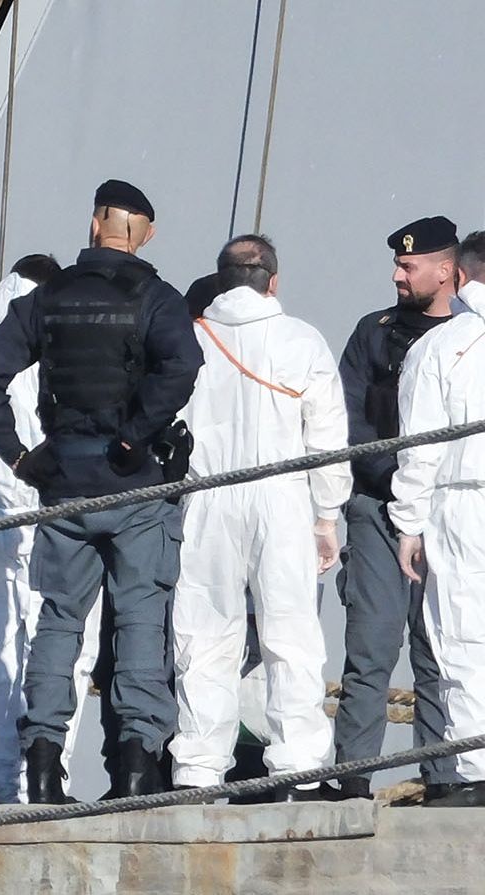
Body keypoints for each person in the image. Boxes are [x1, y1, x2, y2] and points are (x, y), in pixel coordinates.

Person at [0, 180, 202, 803]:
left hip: (65, 486)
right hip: (137, 487)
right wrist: (135, 434)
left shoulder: (46, 299)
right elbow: (183, 366)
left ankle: (43, 770)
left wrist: (18, 454)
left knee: (59, 622)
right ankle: (136, 770)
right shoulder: (158, 298)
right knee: (142, 620)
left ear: (96, 224)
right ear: (144, 234)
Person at [169, 235, 350, 801]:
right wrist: (327, 516)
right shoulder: (302, 339)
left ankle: (198, 770)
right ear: (273, 281)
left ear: (221, 279)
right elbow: (327, 436)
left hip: (209, 496)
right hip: (283, 495)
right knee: (291, 635)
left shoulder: (191, 338)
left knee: (205, 636)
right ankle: (297, 768)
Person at [0, 254, 104, 803]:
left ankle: (7, 782)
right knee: (61, 651)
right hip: (40, 515)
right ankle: (47, 778)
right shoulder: (44, 345)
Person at [333, 216, 465, 799]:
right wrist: (398, 479)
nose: (397, 275)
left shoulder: (469, 339)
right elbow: (348, 420)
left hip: (450, 517)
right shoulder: (374, 332)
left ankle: (446, 779)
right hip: (380, 513)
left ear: (446, 270)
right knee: (370, 653)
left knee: (441, 653)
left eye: (409, 266)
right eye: (398, 264)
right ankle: (351, 780)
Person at [393, 228, 485, 807]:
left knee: (462, 633)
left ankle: (476, 769)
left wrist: (409, 523)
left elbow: (420, 448)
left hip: (462, 501)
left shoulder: (441, 346)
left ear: (463, 275)